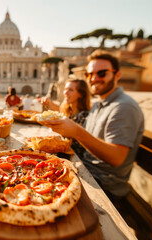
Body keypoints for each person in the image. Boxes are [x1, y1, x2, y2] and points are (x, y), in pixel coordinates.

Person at [43, 50, 144, 200]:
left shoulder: (123, 107)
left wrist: (76, 132)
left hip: (103, 184)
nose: (94, 78)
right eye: (89, 74)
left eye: (102, 73)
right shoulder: (98, 105)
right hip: (85, 169)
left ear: (117, 75)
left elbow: (116, 158)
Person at [41, 79, 91, 156]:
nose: (65, 93)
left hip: (74, 156)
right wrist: (49, 103)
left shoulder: (84, 116)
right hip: (65, 150)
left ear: (80, 94)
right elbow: (61, 111)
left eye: (70, 90)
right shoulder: (71, 111)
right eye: (65, 89)